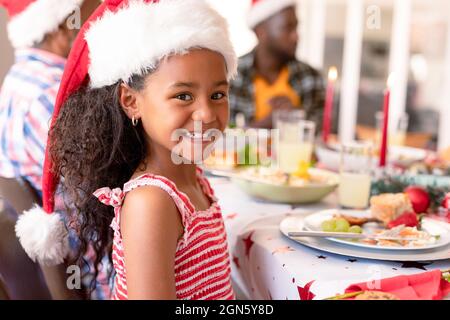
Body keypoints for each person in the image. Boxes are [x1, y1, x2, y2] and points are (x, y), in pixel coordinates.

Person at [15, 0, 237, 300]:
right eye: (183, 95)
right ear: (131, 102)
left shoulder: (192, 178)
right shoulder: (151, 201)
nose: (206, 114)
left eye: (218, 94)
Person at [0, 0, 109, 300]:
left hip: (60, 273)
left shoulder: (18, 80)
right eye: (92, 13)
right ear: (63, 26)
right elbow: (110, 193)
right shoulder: (54, 95)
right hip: (96, 274)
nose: (102, 20)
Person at [229, 0, 325, 129]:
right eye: (288, 28)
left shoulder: (312, 78)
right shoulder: (231, 75)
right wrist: (270, 122)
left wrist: (295, 117)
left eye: (296, 27)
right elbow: (223, 138)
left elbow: (318, 135)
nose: (296, 36)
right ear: (261, 31)